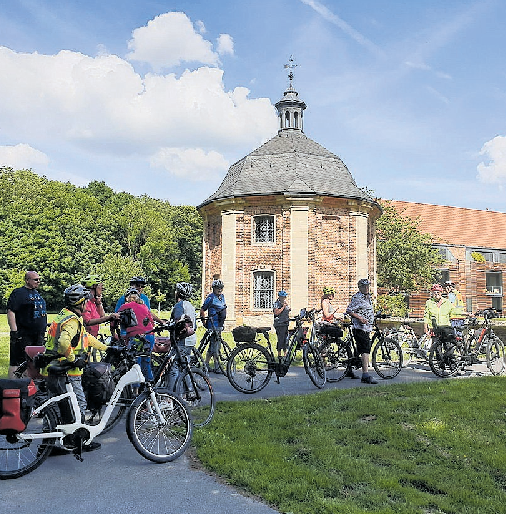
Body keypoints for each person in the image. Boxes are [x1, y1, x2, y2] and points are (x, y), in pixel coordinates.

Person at [43, 284, 108, 451]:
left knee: (54, 406)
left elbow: (84, 338)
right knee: (78, 404)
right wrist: (73, 359)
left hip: (52, 368)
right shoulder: (72, 321)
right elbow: (64, 343)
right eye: (85, 301)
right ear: (80, 302)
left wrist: (106, 348)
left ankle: (49, 444)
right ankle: (79, 441)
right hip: (68, 371)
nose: (87, 303)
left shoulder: (64, 315)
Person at [7, 270, 47, 379]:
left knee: (34, 361)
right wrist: (14, 331)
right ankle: (13, 386)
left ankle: (30, 386)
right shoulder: (19, 293)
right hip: (24, 333)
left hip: (38, 334)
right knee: (17, 361)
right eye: (35, 279)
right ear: (27, 280)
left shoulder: (37, 293)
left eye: (39, 279)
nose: (38, 281)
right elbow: (11, 312)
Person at [117, 287, 155, 384]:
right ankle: (150, 387)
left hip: (136, 337)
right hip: (149, 335)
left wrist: (114, 332)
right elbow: (151, 320)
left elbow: (115, 319)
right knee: (146, 361)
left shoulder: (125, 306)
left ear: (127, 298)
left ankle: (136, 390)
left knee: (135, 364)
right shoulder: (144, 306)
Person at [346, 278, 378, 384]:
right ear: (360, 287)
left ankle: (349, 369)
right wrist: (360, 318)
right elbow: (349, 310)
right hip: (360, 327)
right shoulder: (357, 297)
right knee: (365, 350)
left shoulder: (368, 297)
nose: (366, 288)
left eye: (368, 286)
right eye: (364, 286)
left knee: (359, 349)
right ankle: (365, 375)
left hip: (367, 327)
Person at [167, 282, 197, 391]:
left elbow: (177, 325)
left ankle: (170, 397)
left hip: (182, 341)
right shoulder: (190, 306)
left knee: (174, 368)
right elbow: (195, 326)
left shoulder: (179, 306)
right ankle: (189, 392)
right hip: (190, 341)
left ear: (178, 293)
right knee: (185, 367)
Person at [200, 279, 227, 373]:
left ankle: (206, 365)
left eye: (221, 288)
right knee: (214, 346)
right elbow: (202, 309)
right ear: (213, 288)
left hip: (219, 325)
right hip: (212, 325)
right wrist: (204, 322)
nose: (219, 289)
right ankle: (216, 366)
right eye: (217, 288)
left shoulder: (222, 297)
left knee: (215, 346)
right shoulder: (210, 297)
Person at [273, 291, 290, 358]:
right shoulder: (276, 304)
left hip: (285, 322)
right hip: (279, 323)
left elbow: (287, 310)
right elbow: (276, 313)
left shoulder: (284, 303)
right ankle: (279, 354)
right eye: (283, 297)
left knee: (285, 338)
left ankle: (285, 353)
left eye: (285, 296)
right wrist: (283, 307)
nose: (285, 298)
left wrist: (288, 308)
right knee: (281, 338)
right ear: (280, 297)